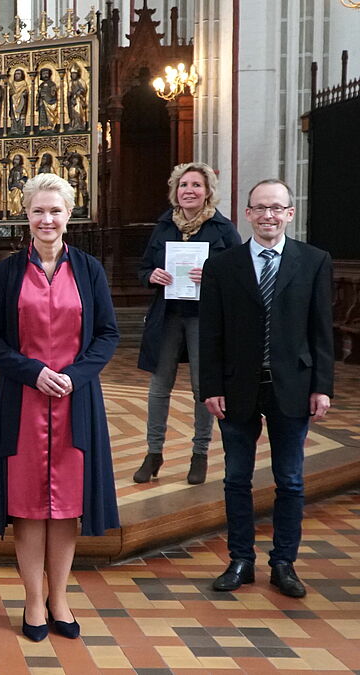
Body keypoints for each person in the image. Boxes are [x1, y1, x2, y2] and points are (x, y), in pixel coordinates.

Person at [0, 173, 119, 641]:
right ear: (26, 215)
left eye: (55, 210)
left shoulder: (90, 270)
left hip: (76, 403)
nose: (47, 219)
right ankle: (33, 601)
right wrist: (31, 371)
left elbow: (106, 335)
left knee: (67, 505)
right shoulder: (6, 272)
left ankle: (59, 596)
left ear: (69, 214)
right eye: (38, 210)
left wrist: (74, 376)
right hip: (23, 403)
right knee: (28, 504)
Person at [201, 179, 334, 599]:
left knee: (290, 481)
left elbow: (320, 331)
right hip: (237, 386)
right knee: (237, 479)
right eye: (259, 208)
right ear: (248, 214)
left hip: (293, 387)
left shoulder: (313, 261)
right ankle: (240, 559)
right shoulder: (223, 265)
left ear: (290, 214)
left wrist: (322, 386)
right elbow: (211, 332)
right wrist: (210, 386)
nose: (268, 216)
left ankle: (284, 563)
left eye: (276, 208)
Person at [134, 163, 240, 485]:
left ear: (208, 191)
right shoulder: (164, 226)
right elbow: (143, 269)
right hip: (168, 315)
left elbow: (239, 276)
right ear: (175, 191)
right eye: (183, 185)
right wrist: (151, 276)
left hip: (204, 319)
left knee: (201, 387)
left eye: (196, 184)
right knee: (159, 385)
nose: (189, 190)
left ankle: (200, 454)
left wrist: (212, 278)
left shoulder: (223, 229)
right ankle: (153, 453)